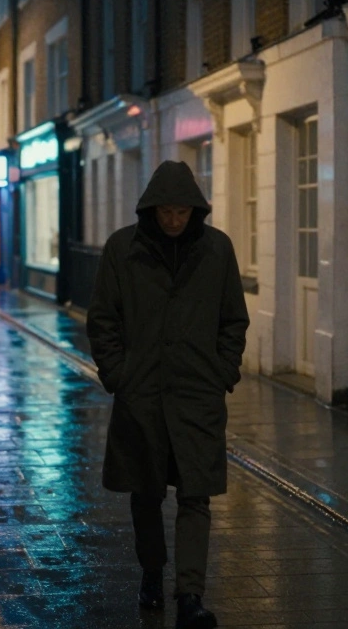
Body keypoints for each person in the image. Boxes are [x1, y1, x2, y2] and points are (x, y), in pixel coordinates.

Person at [87, 160, 249, 629]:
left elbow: (232, 320)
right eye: (167, 213)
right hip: (143, 397)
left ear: (194, 210)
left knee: (196, 495)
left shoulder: (217, 250)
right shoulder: (123, 249)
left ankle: (191, 595)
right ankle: (153, 572)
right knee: (146, 492)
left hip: (197, 395)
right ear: (152, 210)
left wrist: (223, 372)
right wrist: (119, 374)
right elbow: (103, 318)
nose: (175, 221)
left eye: (183, 212)